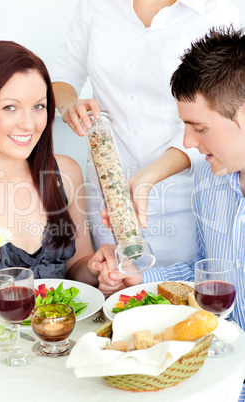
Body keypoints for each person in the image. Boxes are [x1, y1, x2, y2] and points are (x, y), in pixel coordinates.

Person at [89, 26, 245, 400]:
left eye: (198, 127)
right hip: (214, 374)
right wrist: (140, 279)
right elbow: (206, 273)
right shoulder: (209, 182)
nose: (188, 142)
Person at [0, 40, 111, 332]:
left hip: (63, 344)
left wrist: (94, 268)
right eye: (10, 107)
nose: (29, 124)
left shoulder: (65, 173)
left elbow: (76, 266)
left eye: (38, 106)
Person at [51, 0, 240, 266]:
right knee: (120, 289)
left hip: (186, 193)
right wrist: (70, 104)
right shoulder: (96, 6)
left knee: (184, 290)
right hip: (112, 195)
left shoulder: (217, 12)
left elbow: (220, 115)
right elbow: (64, 74)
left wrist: (147, 178)